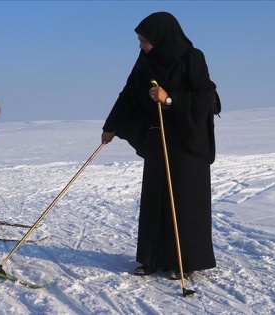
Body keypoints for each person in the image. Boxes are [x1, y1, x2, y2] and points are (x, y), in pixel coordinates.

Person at [101, 12, 217, 280]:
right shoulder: (145, 61)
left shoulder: (192, 57)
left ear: (162, 38)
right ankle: (152, 259)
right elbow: (129, 93)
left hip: (188, 143)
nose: (141, 46)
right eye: (141, 40)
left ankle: (184, 261)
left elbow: (205, 95)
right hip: (159, 138)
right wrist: (111, 126)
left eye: (145, 40)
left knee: (183, 202)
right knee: (156, 199)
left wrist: (169, 99)